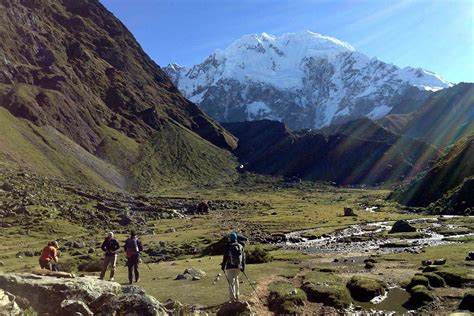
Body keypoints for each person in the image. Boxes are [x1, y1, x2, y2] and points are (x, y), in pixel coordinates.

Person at [221, 232, 246, 302]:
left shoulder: (228, 246)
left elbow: (225, 257)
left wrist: (223, 266)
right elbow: (243, 258)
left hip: (229, 266)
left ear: (230, 238)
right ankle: (237, 296)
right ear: (236, 238)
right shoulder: (240, 246)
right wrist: (243, 267)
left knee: (231, 282)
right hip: (238, 266)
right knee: (236, 279)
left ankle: (232, 298)